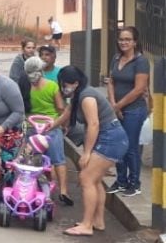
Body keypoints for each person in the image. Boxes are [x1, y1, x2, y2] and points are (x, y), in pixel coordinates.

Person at [56, 65, 128, 237]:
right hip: (109, 137)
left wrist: (87, 153)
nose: (63, 87)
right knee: (95, 181)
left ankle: (87, 225)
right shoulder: (77, 95)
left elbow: (94, 124)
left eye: (65, 84)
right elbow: (65, 115)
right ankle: (98, 221)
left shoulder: (87, 96)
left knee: (86, 178)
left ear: (74, 83)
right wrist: (48, 127)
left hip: (111, 138)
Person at [17, 56, 73, 205]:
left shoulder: (25, 87)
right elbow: (61, 108)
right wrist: (64, 124)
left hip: (31, 127)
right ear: (40, 70)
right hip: (52, 127)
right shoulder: (52, 86)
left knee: (32, 160)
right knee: (58, 160)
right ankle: (63, 191)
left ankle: (41, 188)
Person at [106, 26, 150, 197]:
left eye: (127, 39)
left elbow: (139, 89)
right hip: (117, 109)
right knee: (118, 146)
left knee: (131, 147)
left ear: (135, 42)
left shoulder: (141, 62)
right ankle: (121, 181)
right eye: (121, 39)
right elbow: (110, 81)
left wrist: (118, 106)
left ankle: (134, 183)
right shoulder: (116, 58)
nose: (123, 42)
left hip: (134, 110)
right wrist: (112, 103)